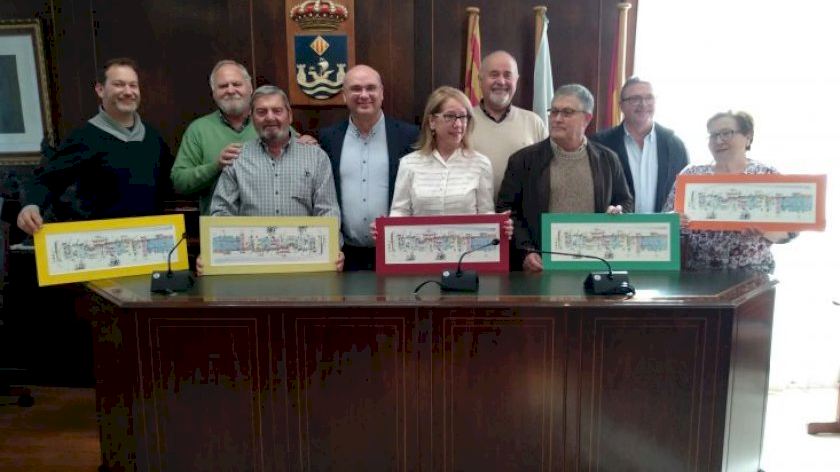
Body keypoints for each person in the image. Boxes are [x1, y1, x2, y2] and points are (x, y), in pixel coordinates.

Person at [17, 57, 171, 235]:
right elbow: (46, 180)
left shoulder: (153, 137)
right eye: (119, 84)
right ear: (100, 89)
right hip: (102, 242)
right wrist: (31, 206)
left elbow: (170, 183)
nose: (128, 91)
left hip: (149, 239)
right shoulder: (83, 137)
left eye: (133, 85)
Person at [496, 84, 633, 272]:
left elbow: (625, 201)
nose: (557, 119)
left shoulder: (607, 159)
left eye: (567, 112)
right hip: (540, 267)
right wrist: (526, 251)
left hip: (595, 264)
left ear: (587, 119)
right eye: (554, 112)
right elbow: (507, 210)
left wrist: (618, 211)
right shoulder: (523, 161)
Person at [207, 85, 343, 271]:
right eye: (261, 112)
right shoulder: (237, 158)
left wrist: (333, 250)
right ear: (252, 118)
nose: (270, 117)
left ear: (289, 116)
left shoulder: (316, 157)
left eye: (277, 111)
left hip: (305, 263)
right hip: (251, 264)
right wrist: (215, 253)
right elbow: (221, 213)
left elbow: (327, 212)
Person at [171, 60, 315, 215]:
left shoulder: (270, 123)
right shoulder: (198, 130)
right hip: (220, 225)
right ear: (213, 93)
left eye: (236, 84)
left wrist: (306, 143)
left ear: (250, 88)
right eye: (223, 86)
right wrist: (216, 166)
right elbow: (179, 182)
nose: (230, 90)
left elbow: (298, 152)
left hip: (269, 226)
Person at [662, 111, 795, 273]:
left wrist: (764, 230)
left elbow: (789, 233)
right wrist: (672, 220)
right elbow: (665, 222)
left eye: (726, 133)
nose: (718, 140)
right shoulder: (691, 175)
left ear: (748, 137)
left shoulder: (767, 175)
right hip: (697, 274)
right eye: (713, 135)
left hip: (753, 275)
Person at [319, 65, 418, 270]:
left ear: (382, 93)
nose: (364, 95)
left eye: (371, 88)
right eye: (356, 89)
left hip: (396, 250)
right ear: (344, 95)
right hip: (344, 255)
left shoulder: (409, 136)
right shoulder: (328, 138)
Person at [384, 86, 512, 238]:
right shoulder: (409, 164)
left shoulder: (480, 164)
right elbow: (399, 213)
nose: (458, 124)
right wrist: (385, 230)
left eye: (463, 117)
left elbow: (486, 215)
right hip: (419, 250)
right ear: (432, 121)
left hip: (468, 251)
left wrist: (500, 226)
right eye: (450, 116)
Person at [591, 77, 688, 213]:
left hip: (664, 226)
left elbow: (685, 193)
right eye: (635, 99)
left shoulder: (674, 145)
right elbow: (592, 191)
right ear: (621, 106)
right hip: (615, 225)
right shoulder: (600, 144)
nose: (643, 104)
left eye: (649, 98)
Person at [470, 51, 548, 198]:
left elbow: (548, 173)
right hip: (474, 210)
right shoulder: (463, 122)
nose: (501, 81)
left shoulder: (534, 122)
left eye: (507, 75)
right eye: (494, 75)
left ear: (516, 80)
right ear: (480, 79)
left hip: (521, 211)